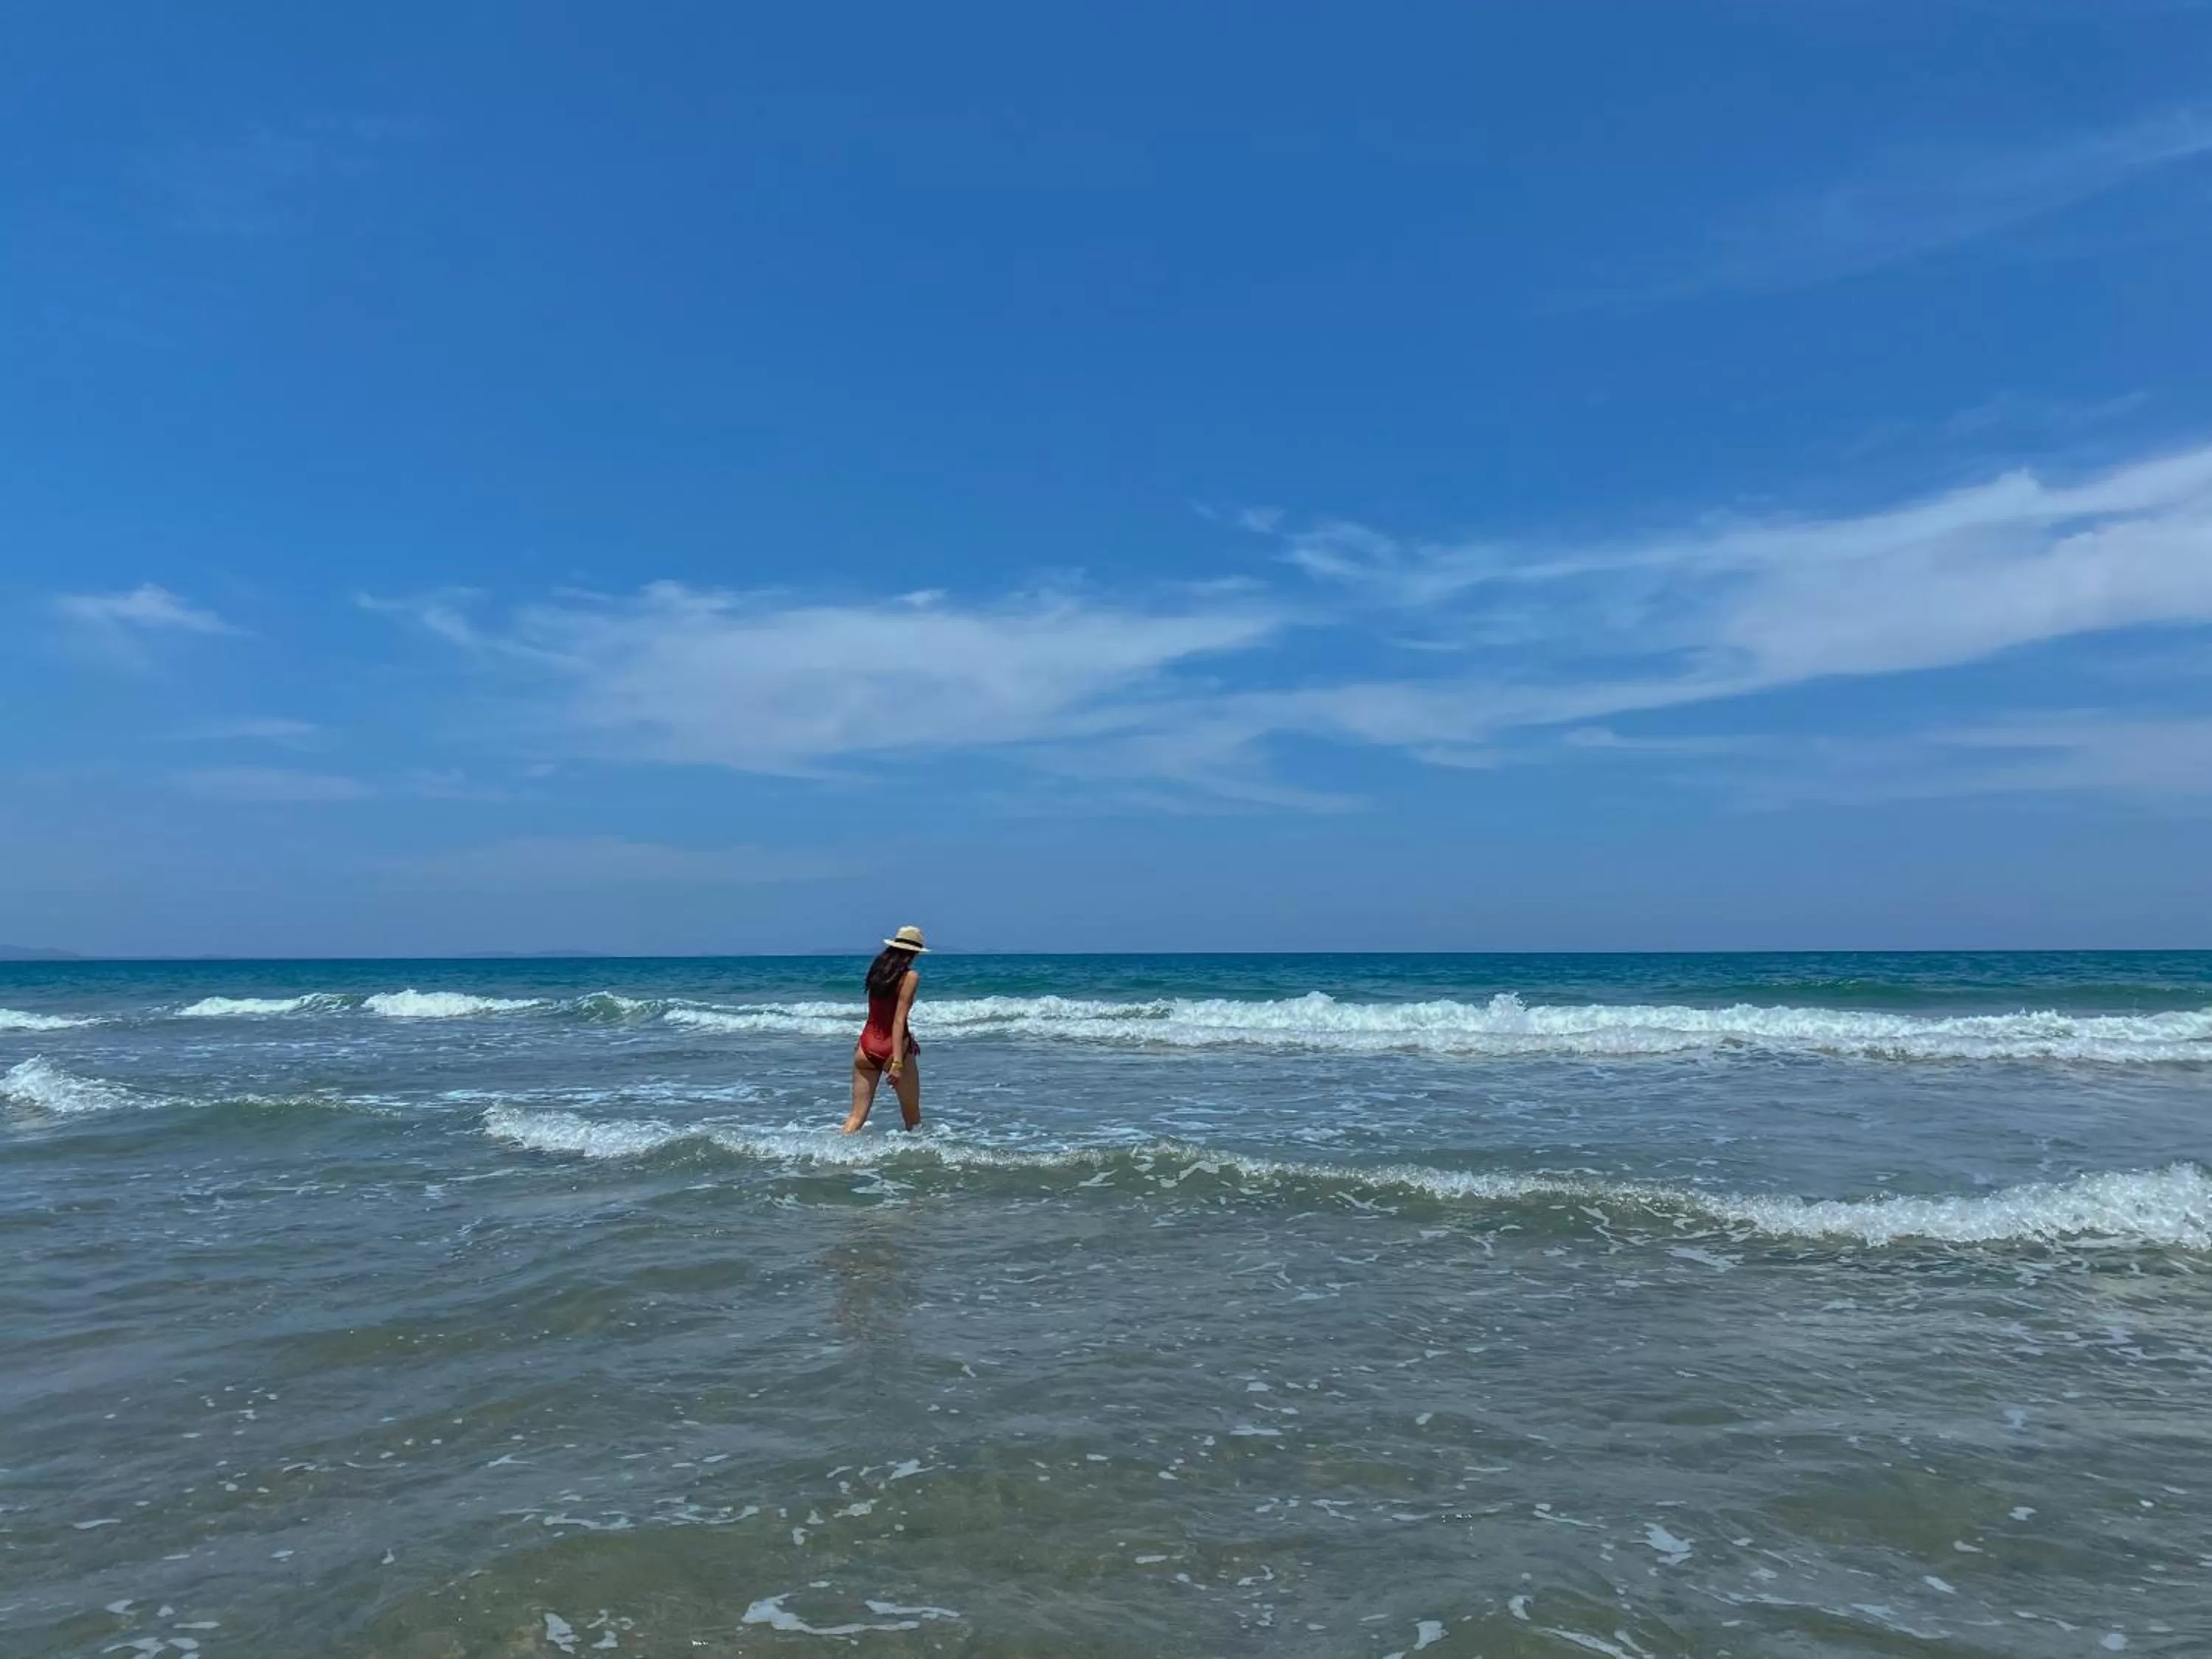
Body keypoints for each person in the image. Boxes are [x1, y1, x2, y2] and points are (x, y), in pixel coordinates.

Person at [843, 925, 926, 1133]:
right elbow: (898, 1020)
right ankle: (918, 1164)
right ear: (914, 952)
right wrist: (897, 1062)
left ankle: (834, 1158)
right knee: (913, 1121)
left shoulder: (877, 970)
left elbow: (877, 1014)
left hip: (865, 1045)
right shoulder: (910, 977)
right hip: (893, 1049)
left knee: (855, 1117)